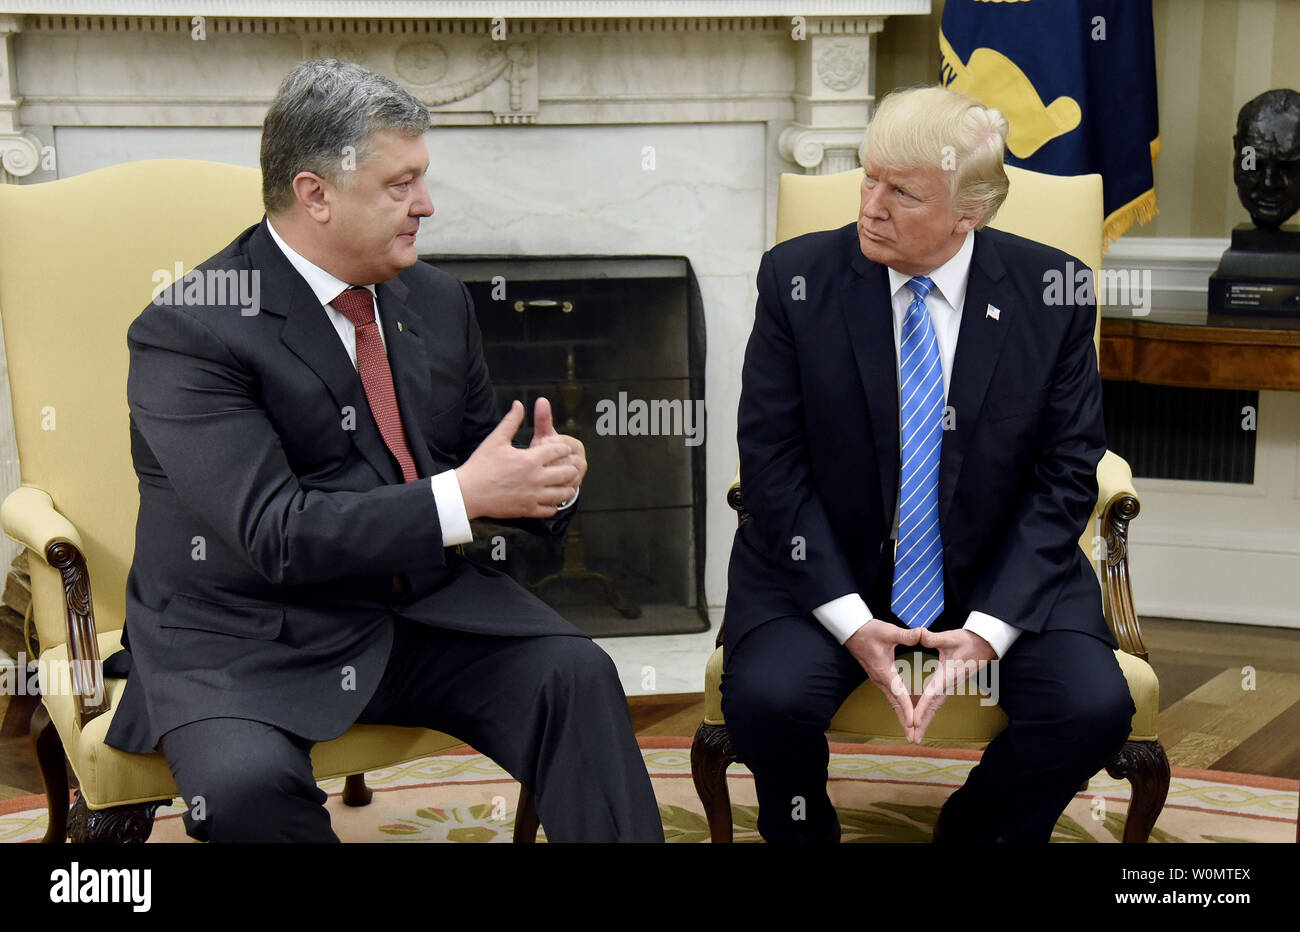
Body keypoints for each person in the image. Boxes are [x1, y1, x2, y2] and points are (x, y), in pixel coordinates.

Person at [104, 58, 664, 843]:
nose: (426, 205)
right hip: (248, 634)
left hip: (416, 609)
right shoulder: (192, 330)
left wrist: (545, 480)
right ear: (315, 194)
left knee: (577, 676)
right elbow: (275, 532)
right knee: (242, 792)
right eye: (400, 184)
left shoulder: (432, 299)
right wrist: (464, 496)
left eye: (423, 179)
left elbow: (477, 454)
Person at [720, 85, 1135, 843]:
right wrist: (850, 621)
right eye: (868, 177)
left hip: (1000, 571)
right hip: (830, 567)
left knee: (1092, 708)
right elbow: (772, 466)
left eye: (901, 192)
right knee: (765, 701)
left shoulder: (1055, 291)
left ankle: (976, 831)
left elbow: (1067, 476)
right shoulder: (796, 281)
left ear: (968, 213)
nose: (870, 206)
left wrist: (986, 631)